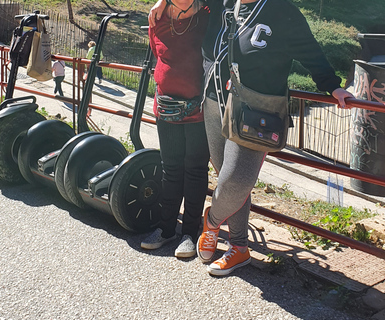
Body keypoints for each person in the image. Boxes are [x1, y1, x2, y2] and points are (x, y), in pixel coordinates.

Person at [149, 0, 353, 275]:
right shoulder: (220, 4)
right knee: (225, 175)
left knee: (237, 180)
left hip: (257, 111)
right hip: (214, 102)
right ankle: (239, 248)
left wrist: (332, 86)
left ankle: (211, 221)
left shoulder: (281, 10)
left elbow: (310, 51)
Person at [140, 0, 210, 258]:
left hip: (198, 109)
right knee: (170, 169)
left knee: (194, 170)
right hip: (166, 107)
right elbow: (158, 54)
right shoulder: (156, 18)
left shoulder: (207, 14)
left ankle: (190, 234)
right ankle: (166, 228)